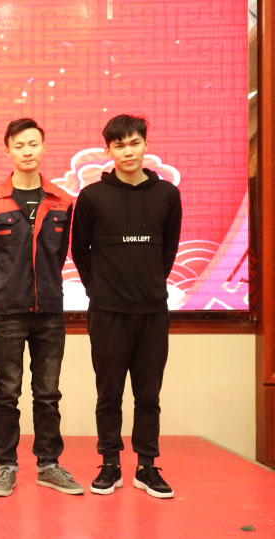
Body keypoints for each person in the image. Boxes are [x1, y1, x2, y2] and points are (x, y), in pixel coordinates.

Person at [71, 114, 183, 499]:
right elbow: (80, 252)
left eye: (135, 143)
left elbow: (168, 250)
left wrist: (149, 284)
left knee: (149, 394)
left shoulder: (167, 195)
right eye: (119, 145)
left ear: (146, 145)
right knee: (109, 394)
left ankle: (147, 466)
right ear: (108, 150)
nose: (128, 151)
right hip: (108, 313)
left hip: (152, 311)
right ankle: (110, 463)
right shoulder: (92, 197)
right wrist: (101, 291)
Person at [0, 118, 83, 497]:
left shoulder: (62, 201)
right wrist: (2, 293)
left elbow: (60, 253)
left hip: (50, 310)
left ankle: (48, 465)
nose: (27, 151)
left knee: (48, 393)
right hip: (7, 311)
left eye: (33, 144)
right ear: (8, 149)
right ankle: (5, 466)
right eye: (19, 145)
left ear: (43, 147)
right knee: (7, 391)